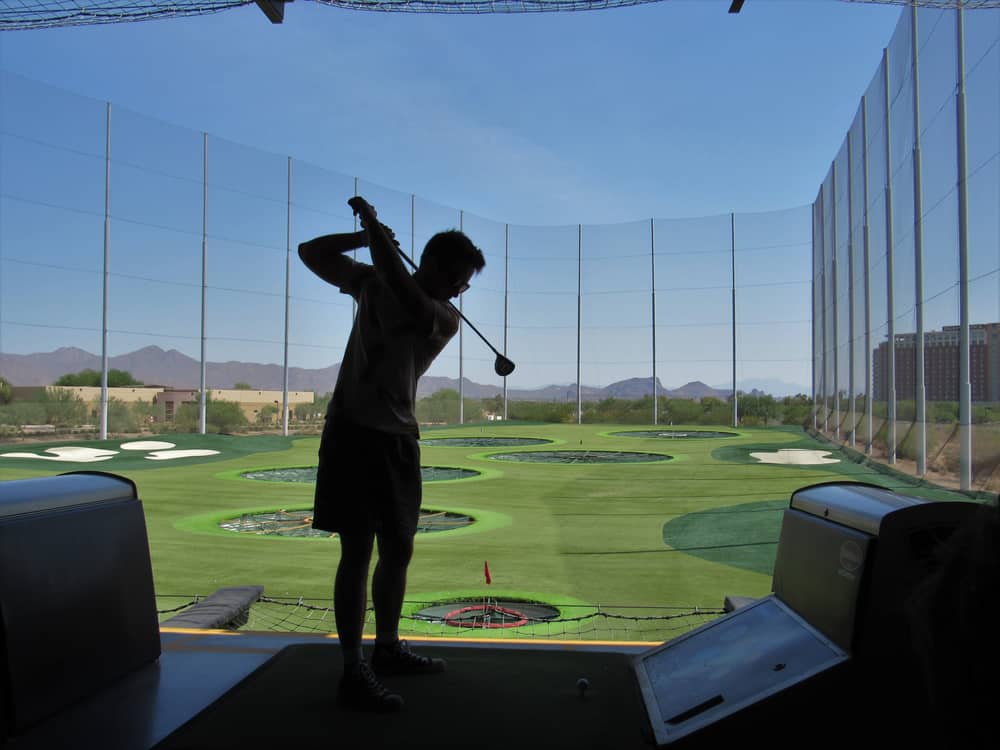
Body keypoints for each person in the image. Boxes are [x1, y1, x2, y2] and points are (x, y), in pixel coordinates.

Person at [298, 195, 485, 712]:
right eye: (459, 279)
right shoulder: (371, 283)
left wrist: (376, 231)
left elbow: (402, 288)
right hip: (352, 433)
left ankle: (387, 649)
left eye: (465, 284)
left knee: (398, 549)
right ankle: (353, 668)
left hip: (398, 438)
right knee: (356, 551)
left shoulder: (439, 317)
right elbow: (310, 252)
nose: (461, 291)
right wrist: (364, 236)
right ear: (433, 264)